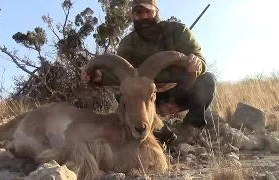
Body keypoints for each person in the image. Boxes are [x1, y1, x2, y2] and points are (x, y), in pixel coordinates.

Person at [81, 0, 217, 144]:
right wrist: (101, 77)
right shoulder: (128, 43)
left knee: (207, 80)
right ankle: (158, 132)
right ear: (133, 15)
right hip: (147, 98)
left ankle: (190, 130)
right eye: (139, 12)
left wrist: (196, 64)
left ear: (156, 11)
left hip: (181, 88)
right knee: (123, 93)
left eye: (148, 11)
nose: (144, 16)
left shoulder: (178, 31)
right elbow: (121, 75)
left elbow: (199, 57)